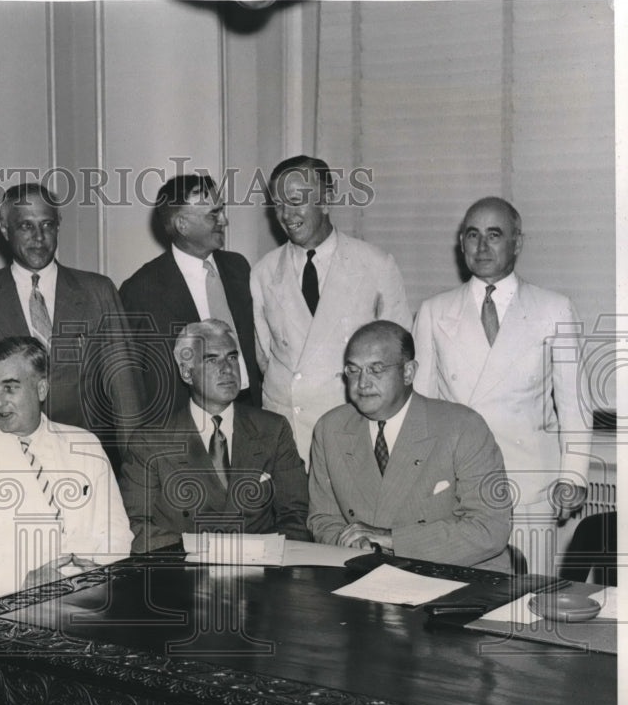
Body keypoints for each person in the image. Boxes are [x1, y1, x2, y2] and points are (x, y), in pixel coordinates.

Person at [412, 197, 591, 576]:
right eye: (472, 235)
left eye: (495, 235)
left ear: (517, 243)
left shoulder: (553, 308)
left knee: (524, 605)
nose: (482, 246)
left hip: (528, 487)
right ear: (461, 243)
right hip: (456, 488)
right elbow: (422, 409)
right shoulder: (433, 310)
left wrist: (573, 476)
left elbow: (575, 405)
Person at [0, 336, 130, 604]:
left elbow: (116, 531)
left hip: (93, 596)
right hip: (10, 603)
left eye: (10, 388)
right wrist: (28, 579)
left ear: (41, 389)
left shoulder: (85, 444)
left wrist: (96, 573)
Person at [308, 321, 512, 572]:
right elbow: (323, 518)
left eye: (376, 369)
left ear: (408, 372)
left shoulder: (463, 426)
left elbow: (490, 529)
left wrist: (393, 539)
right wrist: (351, 543)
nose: (362, 383)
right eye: (353, 370)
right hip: (365, 576)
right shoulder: (330, 429)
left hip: (457, 576)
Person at [0, 182, 144, 469]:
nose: (39, 238)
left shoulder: (97, 291)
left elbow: (126, 391)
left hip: (87, 457)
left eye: (47, 224)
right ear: (4, 227)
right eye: (25, 226)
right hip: (9, 460)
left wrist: (137, 471)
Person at [250, 155, 411, 456]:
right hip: (289, 431)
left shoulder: (375, 265)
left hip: (354, 427)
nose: (286, 214)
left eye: (296, 201)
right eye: (279, 204)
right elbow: (266, 357)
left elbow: (399, 357)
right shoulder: (263, 272)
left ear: (325, 200)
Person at [120, 319, 311, 554]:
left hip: (261, 571)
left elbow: (297, 515)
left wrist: (257, 553)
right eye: (212, 360)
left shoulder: (273, 429)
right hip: (183, 575)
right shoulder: (150, 442)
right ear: (187, 373)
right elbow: (134, 526)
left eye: (232, 357)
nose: (227, 369)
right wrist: (202, 550)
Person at [119, 174, 261, 424]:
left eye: (222, 211)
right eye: (213, 214)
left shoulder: (239, 268)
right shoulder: (141, 290)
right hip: (186, 425)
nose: (224, 221)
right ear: (183, 224)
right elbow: (132, 379)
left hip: (248, 413)